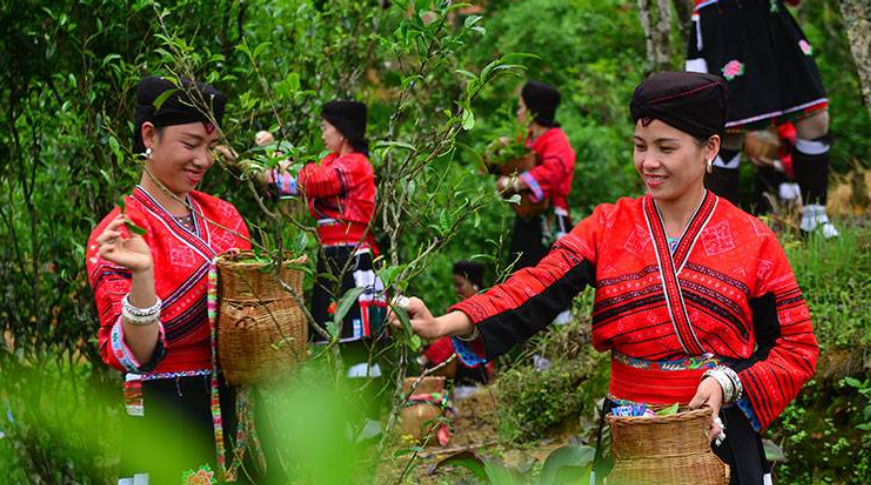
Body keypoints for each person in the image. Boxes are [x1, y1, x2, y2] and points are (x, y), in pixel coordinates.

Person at [394, 72, 819, 484]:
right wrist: (440, 325)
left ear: (709, 148)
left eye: (666, 148)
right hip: (627, 437)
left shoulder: (754, 240)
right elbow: (535, 288)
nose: (649, 162)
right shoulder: (608, 227)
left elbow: (796, 347)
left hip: (718, 436)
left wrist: (729, 382)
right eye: (640, 146)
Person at [86, 77, 277, 485]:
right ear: (149, 135)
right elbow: (135, 353)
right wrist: (142, 274)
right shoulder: (121, 232)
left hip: (239, 411)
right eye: (190, 145)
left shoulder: (225, 218)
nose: (204, 161)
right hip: (167, 415)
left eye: (210, 147)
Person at [265, 100, 388, 438]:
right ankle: (350, 421)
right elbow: (296, 185)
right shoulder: (333, 162)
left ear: (342, 129)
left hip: (353, 257)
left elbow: (312, 182)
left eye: (325, 126)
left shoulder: (355, 164)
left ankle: (368, 423)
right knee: (332, 342)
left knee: (356, 343)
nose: (322, 133)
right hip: (332, 257)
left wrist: (274, 158)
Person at [687, 0, 838, 237]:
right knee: (727, 130)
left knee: (814, 117)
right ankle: (719, 228)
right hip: (723, 14)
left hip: (770, 14)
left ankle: (815, 218)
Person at [495, 80, 577, 271]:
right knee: (518, 272)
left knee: (545, 273)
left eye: (521, 107)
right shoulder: (525, 139)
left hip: (547, 219)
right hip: (526, 216)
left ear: (532, 111)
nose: (518, 112)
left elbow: (553, 172)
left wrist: (515, 183)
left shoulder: (557, 140)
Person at [420, 261, 493, 386]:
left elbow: (451, 338)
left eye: (460, 285)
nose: (456, 290)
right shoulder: (481, 303)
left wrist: (427, 357)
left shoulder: (476, 308)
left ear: (474, 284)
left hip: (473, 373)